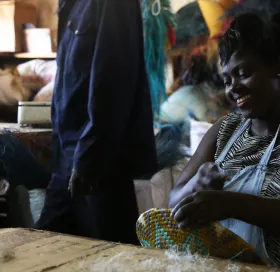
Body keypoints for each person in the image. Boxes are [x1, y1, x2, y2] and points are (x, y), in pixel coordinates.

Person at [169, 14, 280, 271]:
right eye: (227, 80)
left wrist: (230, 203)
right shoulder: (223, 131)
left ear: (278, 65)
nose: (233, 88)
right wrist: (195, 186)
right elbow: (174, 200)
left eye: (243, 73)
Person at [36, 0, 157, 245]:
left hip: (99, 161)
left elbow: (113, 81)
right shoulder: (70, 4)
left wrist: (89, 156)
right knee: (43, 245)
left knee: (110, 254)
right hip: (67, 157)